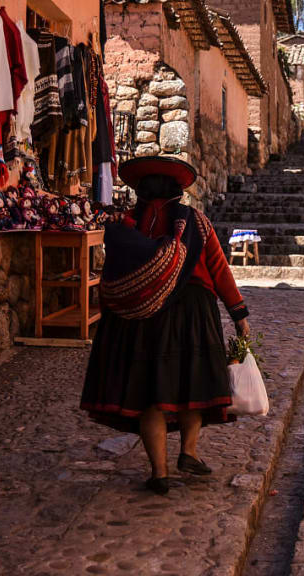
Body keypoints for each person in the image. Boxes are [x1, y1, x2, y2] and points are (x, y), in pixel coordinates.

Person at [80, 156, 250, 495]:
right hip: (193, 317)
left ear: (141, 192)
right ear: (178, 190)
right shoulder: (197, 224)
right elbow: (218, 269)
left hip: (139, 322)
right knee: (192, 388)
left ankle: (159, 472)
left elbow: (112, 273)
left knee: (150, 395)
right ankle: (188, 452)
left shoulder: (127, 226)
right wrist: (239, 314)